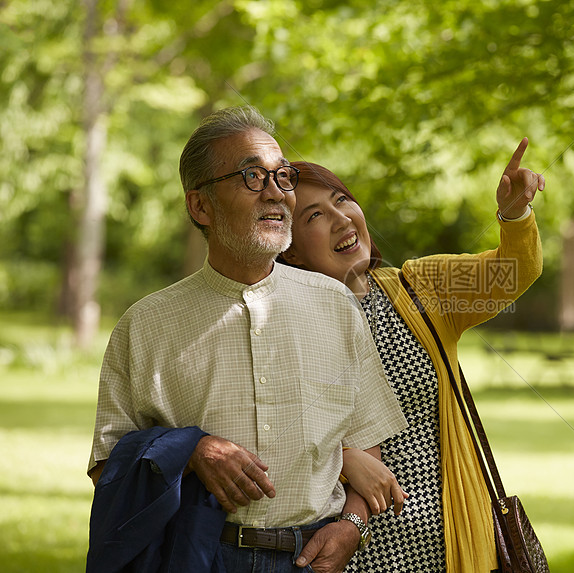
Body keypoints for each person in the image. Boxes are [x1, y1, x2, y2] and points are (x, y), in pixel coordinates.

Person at [87, 105, 407, 573]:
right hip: (195, 557)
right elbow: (106, 466)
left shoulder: (336, 305)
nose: (276, 194)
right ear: (200, 206)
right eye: (253, 177)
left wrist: (351, 527)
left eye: (283, 177)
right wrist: (192, 451)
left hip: (314, 557)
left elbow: (364, 439)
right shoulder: (146, 325)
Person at [278, 138, 544, 572]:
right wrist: (343, 459)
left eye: (341, 199)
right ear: (289, 249)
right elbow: (271, 427)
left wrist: (514, 213)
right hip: (349, 551)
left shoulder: (420, 287)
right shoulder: (283, 322)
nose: (341, 218)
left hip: (453, 545)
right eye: (315, 216)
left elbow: (512, 271)